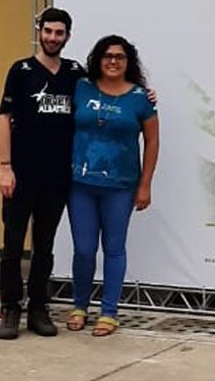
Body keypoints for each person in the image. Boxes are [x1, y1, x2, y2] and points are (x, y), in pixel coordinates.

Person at [0, 8, 85, 339]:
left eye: (59, 33)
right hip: (20, 174)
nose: (52, 38)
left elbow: (109, 89)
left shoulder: (75, 73)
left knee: (44, 246)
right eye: (48, 31)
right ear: (40, 31)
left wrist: (145, 92)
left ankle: (38, 308)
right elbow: (4, 117)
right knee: (12, 245)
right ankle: (10, 309)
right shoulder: (20, 71)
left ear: (67, 36)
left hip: (57, 176)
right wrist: (5, 167)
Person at [66, 35, 159, 337]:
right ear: (98, 59)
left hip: (121, 186)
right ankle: (80, 306)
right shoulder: (81, 87)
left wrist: (145, 185)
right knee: (84, 249)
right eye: (107, 56)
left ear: (128, 61)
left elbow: (152, 141)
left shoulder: (141, 98)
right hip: (80, 184)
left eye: (120, 56)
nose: (113, 61)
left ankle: (109, 312)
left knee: (114, 248)